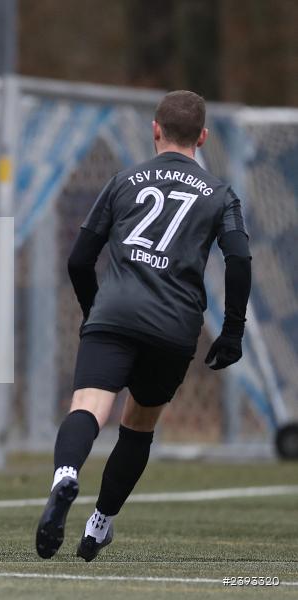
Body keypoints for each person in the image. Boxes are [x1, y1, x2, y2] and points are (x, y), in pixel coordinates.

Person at [35, 90, 252, 561]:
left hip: (114, 313)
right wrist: (232, 329)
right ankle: (98, 526)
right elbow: (238, 261)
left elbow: (78, 260)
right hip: (173, 326)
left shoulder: (123, 181)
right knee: (137, 426)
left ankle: (66, 475)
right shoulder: (219, 194)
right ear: (203, 137)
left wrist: (97, 311)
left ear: (154, 129)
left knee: (90, 407)